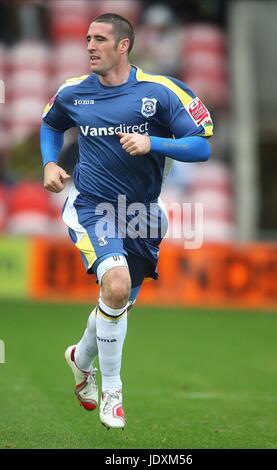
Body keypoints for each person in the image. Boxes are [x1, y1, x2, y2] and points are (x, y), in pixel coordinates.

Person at [40, 13, 213, 430]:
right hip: (92, 205)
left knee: (118, 303)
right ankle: (113, 393)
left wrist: (154, 141)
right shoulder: (73, 92)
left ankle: (80, 360)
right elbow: (50, 124)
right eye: (86, 39)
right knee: (114, 287)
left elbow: (201, 146)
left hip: (142, 215)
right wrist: (48, 162)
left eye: (100, 39)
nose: (90, 46)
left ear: (123, 45)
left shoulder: (163, 91)